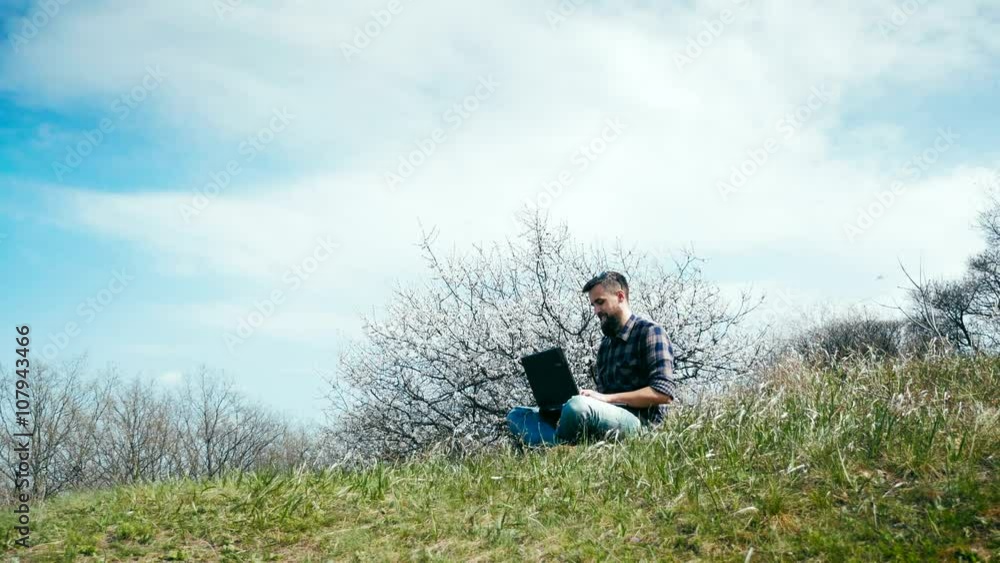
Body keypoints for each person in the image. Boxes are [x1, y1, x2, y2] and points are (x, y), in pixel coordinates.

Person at [506, 271, 677, 446]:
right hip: (608, 417)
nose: (596, 311)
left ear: (620, 296)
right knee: (517, 415)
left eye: (600, 302)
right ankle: (558, 446)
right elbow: (601, 398)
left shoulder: (650, 332)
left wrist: (606, 399)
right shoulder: (606, 345)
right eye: (593, 305)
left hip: (642, 424)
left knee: (577, 407)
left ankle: (553, 446)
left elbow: (662, 393)